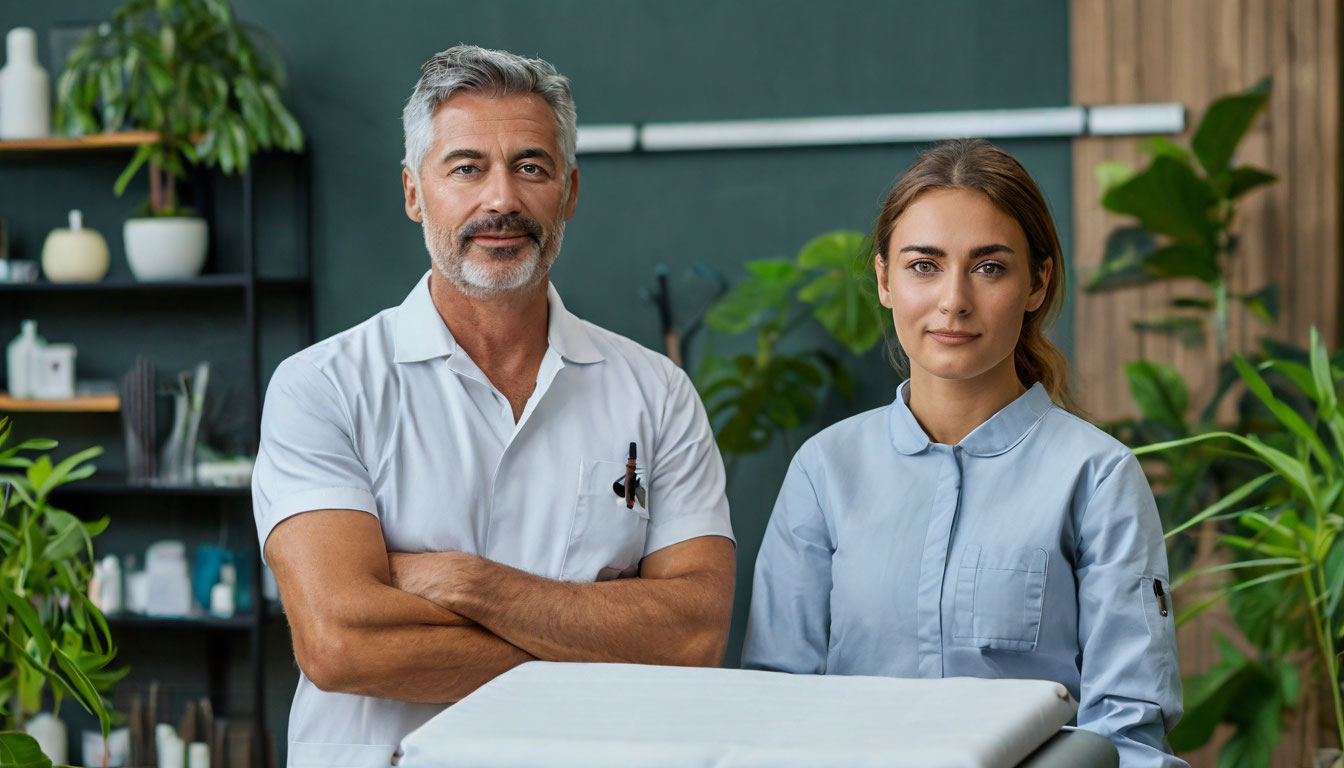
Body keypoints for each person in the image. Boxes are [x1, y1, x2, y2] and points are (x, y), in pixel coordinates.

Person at [253, 45, 736, 768]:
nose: (502, 199)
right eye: (467, 167)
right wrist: (600, 640)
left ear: (569, 191)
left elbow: (693, 636)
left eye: (531, 167)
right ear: (416, 192)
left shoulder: (656, 393)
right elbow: (341, 643)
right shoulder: (323, 386)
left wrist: (462, 581)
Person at [742, 139, 1185, 767]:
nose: (954, 300)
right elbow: (777, 702)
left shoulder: (1098, 477)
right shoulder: (824, 471)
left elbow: (1128, 732)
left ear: (1038, 281)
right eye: (924, 265)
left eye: (989, 267)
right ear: (884, 280)